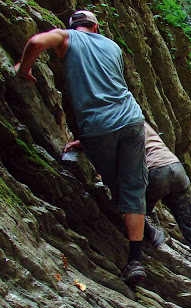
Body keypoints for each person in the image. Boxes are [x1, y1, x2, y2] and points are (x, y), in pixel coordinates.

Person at [15, 10, 148, 287]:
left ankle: (138, 237)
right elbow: (113, 84)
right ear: (96, 27)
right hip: (132, 120)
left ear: (73, 26)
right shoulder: (113, 46)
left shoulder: (67, 37)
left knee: (118, 186)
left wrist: (23, 70)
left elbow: (37, 42)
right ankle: (136, 259)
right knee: (134, 187)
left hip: (99, 128)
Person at [65, 123, 191, 301]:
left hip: (156, 171)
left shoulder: (114, 119)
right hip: (176, 170)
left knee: (131, 210)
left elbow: (103, 140)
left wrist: (81, 143)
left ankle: (143, 247)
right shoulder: (134, 117)